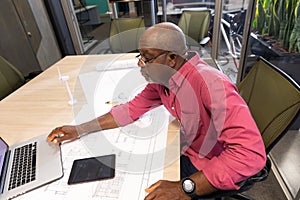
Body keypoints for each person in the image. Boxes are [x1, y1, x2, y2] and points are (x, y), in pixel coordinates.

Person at [47, 22, 266, 199]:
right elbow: (130, 110)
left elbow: (250, 155)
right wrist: (80, 128)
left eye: (148, 57)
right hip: (190, 151)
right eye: (139, 55)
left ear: (171, 58)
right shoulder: (163, 81)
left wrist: (184, 188)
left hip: (213, 164)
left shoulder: (210, 83)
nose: (140, 64)